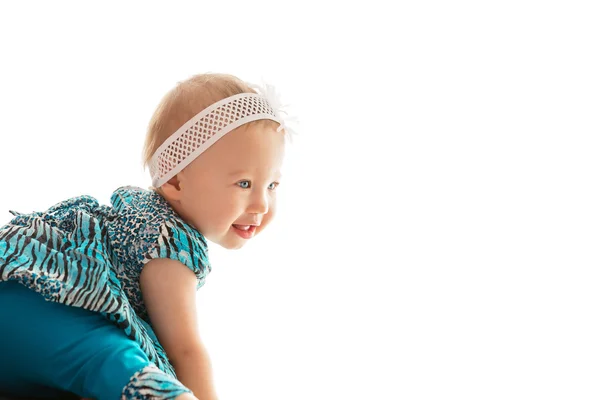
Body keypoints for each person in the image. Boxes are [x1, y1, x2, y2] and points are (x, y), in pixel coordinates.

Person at [0, 73, 294, 400]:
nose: (261, 204)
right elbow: (184, 349)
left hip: (17, 313)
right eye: (244, 184)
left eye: (272, 185)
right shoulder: (170, 240)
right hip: (48, 310)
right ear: (177, 182)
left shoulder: (140, 212)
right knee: (114, 360)